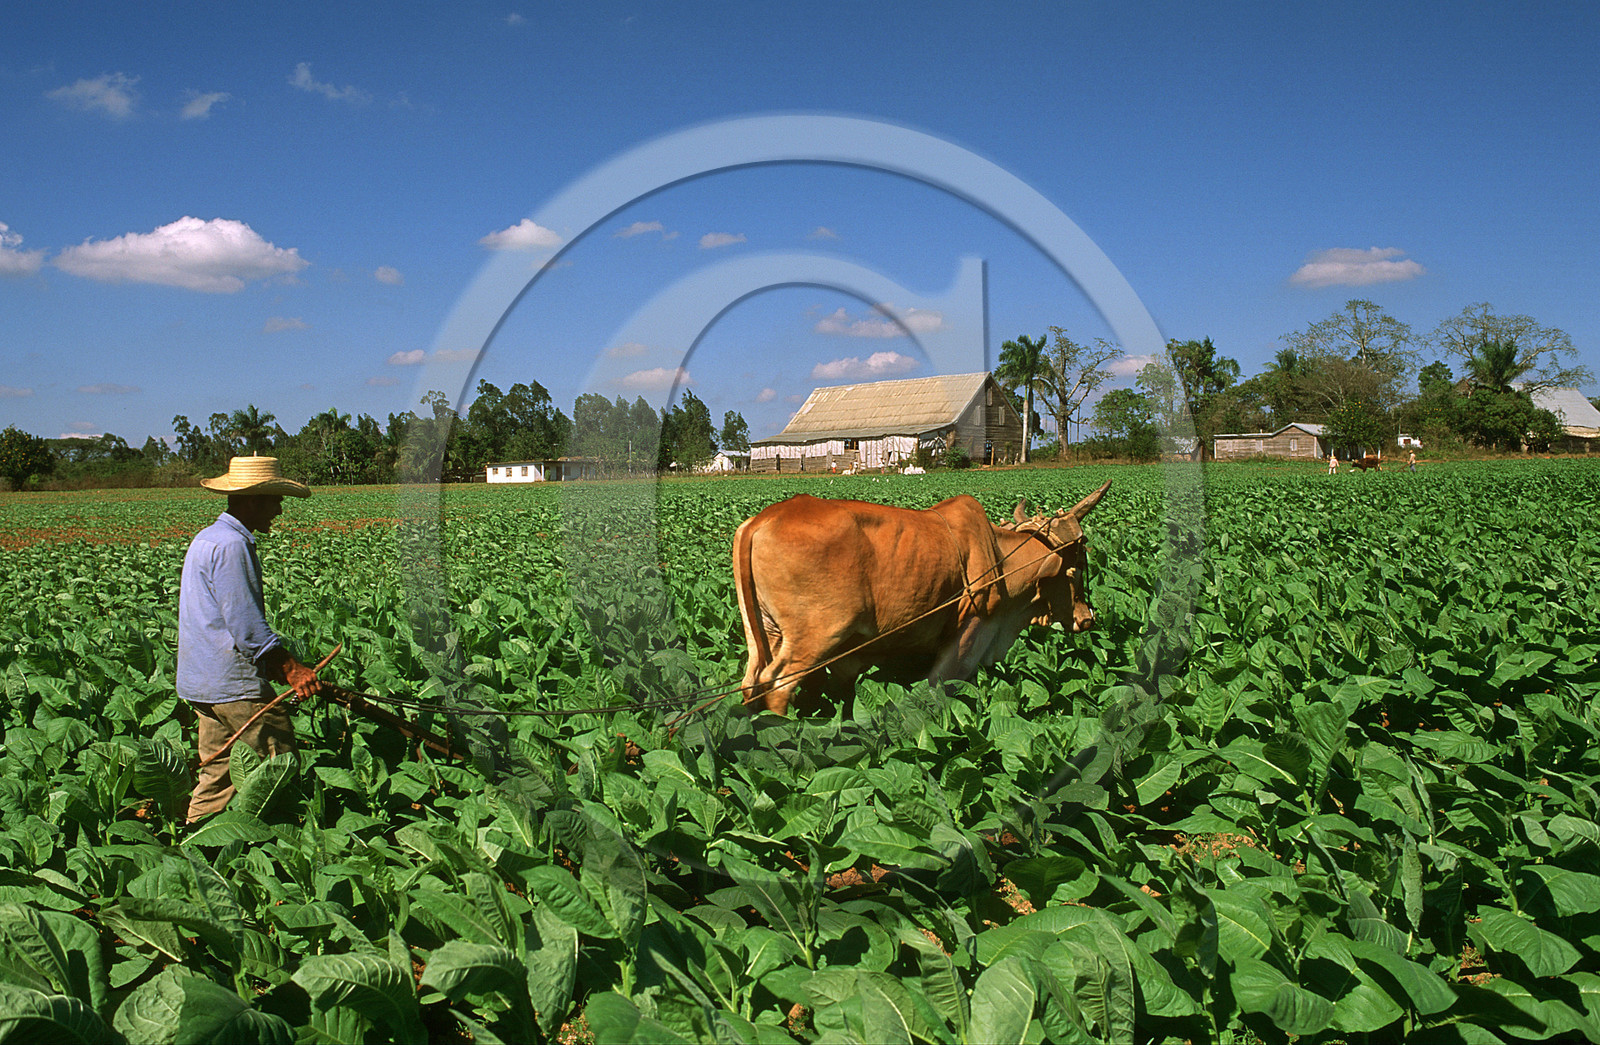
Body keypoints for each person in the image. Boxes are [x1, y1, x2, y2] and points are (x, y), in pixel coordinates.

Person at [178, 454, 322, 821]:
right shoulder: (231, 545)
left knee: (219, 775)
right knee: (279, 764)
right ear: (252, 499)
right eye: (275, 500)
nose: (278, 510)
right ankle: (284, 843)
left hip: (204, 684)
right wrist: (290, 668)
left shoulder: (208, 537)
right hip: (234, 684)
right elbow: (245, 625)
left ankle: (197, 846)